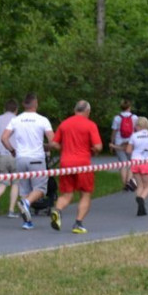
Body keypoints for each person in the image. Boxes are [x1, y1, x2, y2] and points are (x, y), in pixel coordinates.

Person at [0, 93, 55, 230]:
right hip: (36, 158)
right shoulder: (42, 120)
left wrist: (12, 151)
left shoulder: (16, 120)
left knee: (24, 189)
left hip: (20, 158)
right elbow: (53, 142)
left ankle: (27, 221)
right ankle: (26, 203)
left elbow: (4, 138)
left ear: (24, 104)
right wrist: (46, 147)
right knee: (41, 189)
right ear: (35, 103)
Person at [50, 100, 102, 233]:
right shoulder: (90, 125)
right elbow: (98, 146)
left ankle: (57, 210)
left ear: (75, 110)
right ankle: (78, 223)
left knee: (67, 194)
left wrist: (65, 148)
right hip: (83, 164)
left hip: (66, 163)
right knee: (85, 194)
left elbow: (54, 144)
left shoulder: (65, 124)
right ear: (88, 111)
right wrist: (93, 150)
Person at [125, 117, 148, 216]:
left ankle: (140, 207)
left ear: (138, 126)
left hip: (135, 161)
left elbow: (128, 150)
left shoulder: (134, 135)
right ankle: (141, 199)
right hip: (146, 161)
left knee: (140, 185)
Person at [0, 98, 19, 217]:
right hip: (15, 154)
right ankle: (11, 210)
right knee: (16, 183)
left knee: (2, 183)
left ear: (4, 108)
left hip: (0, 155)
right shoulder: (18, 120)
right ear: (16, 110)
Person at [111, 100, 138, 191]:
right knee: (131, 162)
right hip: (130, 142)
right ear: (129, 107)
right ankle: (129, 181)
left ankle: (124, 185)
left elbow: (114, 132)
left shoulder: (117, 118)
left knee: (123, 163)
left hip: (119, 142)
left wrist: (112, 143)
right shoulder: (134, 117)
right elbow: (136, 130)